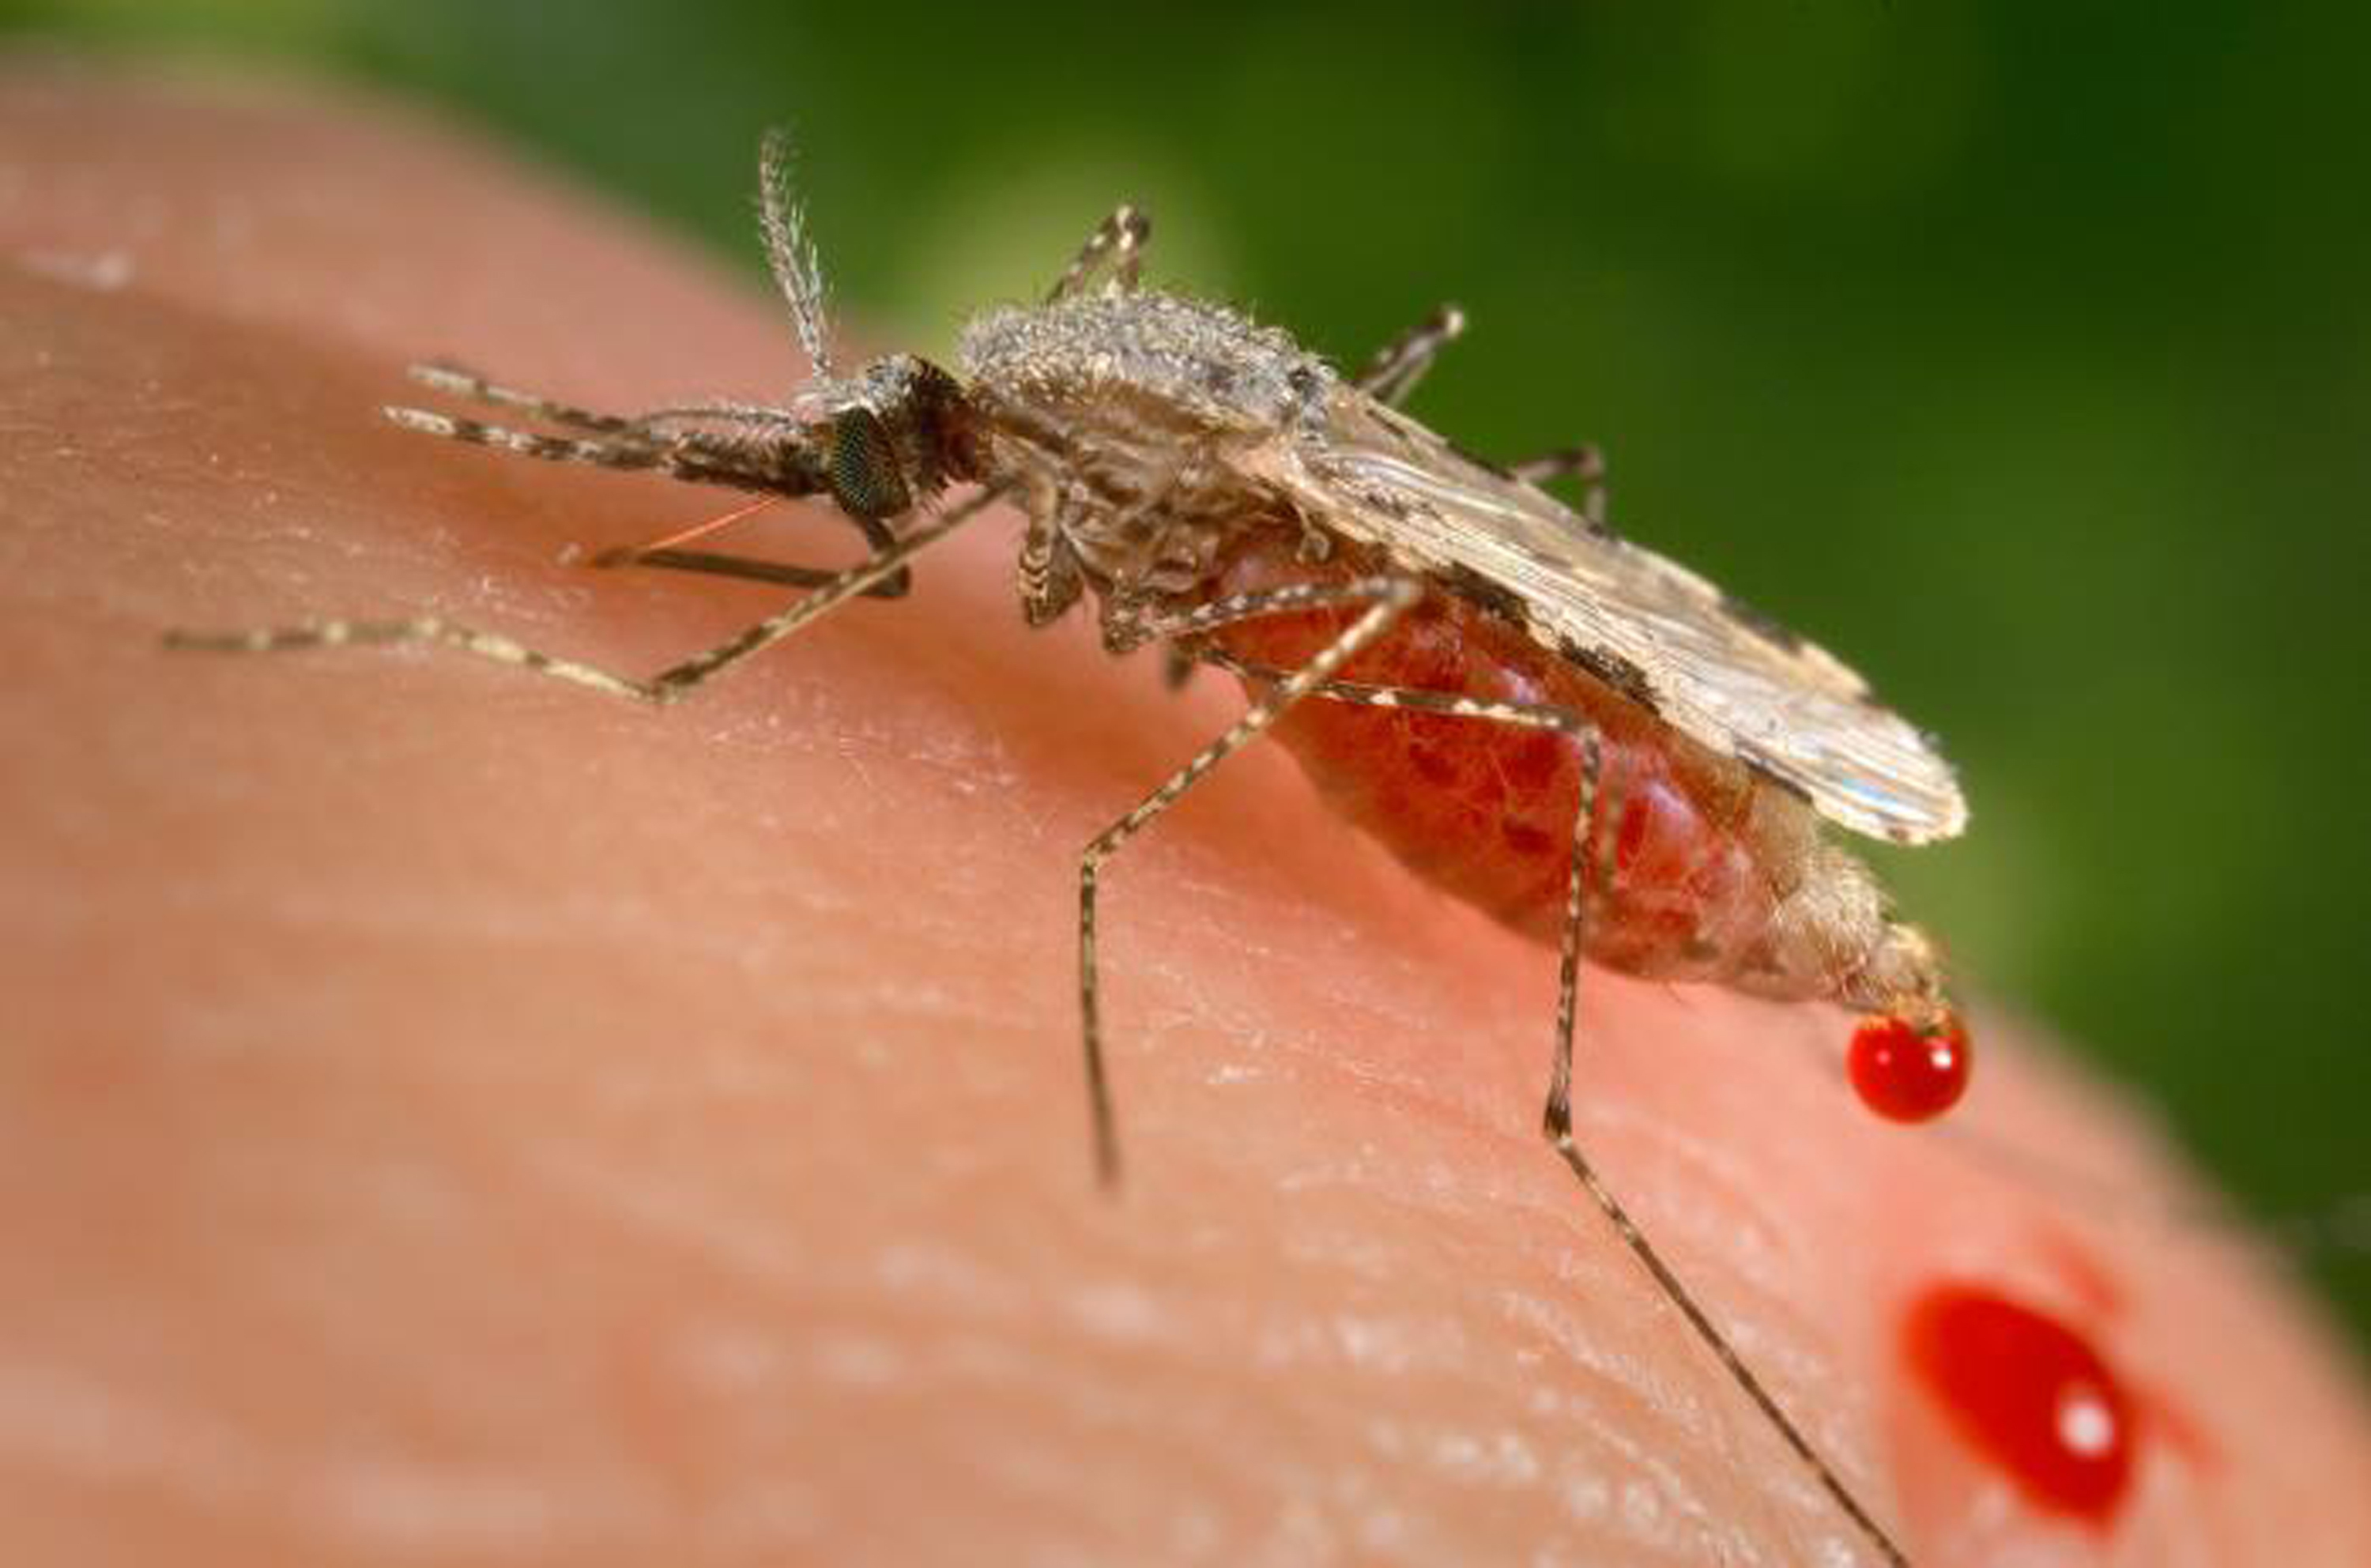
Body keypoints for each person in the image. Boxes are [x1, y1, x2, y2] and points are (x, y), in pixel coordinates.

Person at [6, 58, 2365, 1564]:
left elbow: (1203, 498)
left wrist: (1117, 855)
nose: (879, 484)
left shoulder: (1063, 430)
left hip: (1560, 733)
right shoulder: (1032, 391)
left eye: (877, 470)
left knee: (1362, 657)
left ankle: (1565, 1129)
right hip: (1401, 597)